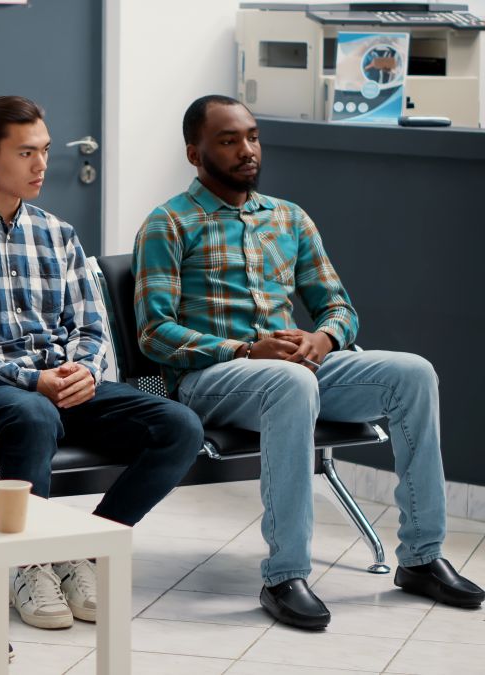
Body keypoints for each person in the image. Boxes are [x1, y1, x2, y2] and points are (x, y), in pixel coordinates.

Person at [133, 94, 484, 630]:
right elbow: (154, 334)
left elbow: (339, 307)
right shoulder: (169, 224)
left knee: (413, 373)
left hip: (293, 369)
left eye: (252, 137)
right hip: (212, 379)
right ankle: (285, 575)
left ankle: (420, 558)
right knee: (289, 383)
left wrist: (323, 338)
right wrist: (245, 349)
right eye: (228, 140)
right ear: (194, 153)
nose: (247, 150)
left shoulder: (289, 218)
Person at [0, 96, 203, 631]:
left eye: (44, 151)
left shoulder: (59, 233)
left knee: (179, 426)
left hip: (65, 382)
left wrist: (84, 370)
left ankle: (83, 550)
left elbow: (90, 326)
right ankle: (28, 565)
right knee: (34, 412)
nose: (42, 164)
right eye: (26, 153)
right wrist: (32, 379)